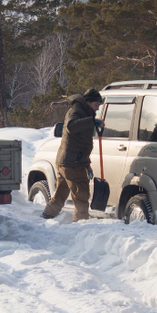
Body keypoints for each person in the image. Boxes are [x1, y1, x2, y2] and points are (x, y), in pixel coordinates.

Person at [42, 88, 104, 221]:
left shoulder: (83, 112)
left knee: (61, 193)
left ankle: (48, 214)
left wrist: (87, 165)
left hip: (68, 161)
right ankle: (81, 222)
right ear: (88, 102)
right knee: (81, 194)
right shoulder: (76, 111)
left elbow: (81, 143)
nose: (97, 108)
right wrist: (92, 122)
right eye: (96, 105)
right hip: (73, 163)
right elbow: (71, 126)